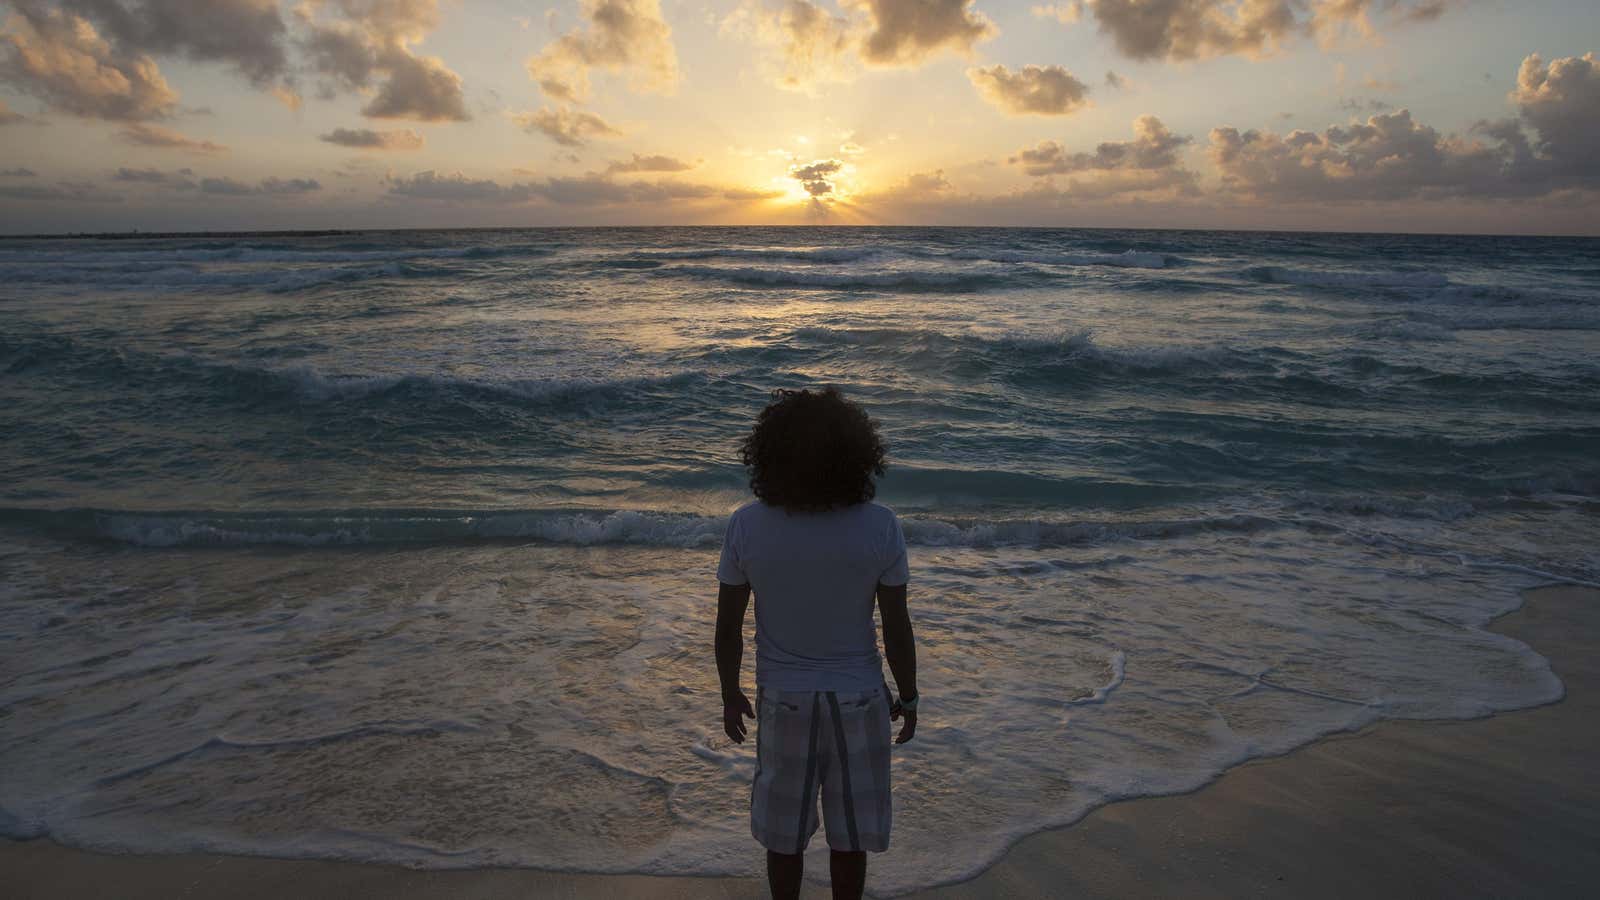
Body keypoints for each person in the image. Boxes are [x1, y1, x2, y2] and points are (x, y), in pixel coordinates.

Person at [714, 387, 919, 900]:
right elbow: (896, 626)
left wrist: (729, 693)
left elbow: (727, 627)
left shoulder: (747, 524)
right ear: (856, 454)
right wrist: (909, 695)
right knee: (849, 839)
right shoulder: (880, 526)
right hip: (860, 697)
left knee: (784, 841)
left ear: (770, 452)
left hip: (784, 700)